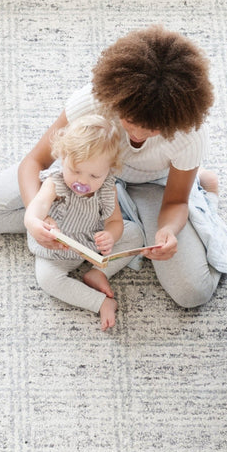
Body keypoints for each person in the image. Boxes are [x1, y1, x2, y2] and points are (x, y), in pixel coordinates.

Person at [0, 24, 227, 311]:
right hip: (81, 175)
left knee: (192, 293)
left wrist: (169, 231)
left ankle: (203, 190)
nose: (138, 135)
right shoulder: (94, 101)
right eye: (130, 121)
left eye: (154, 130)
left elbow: (175, 201)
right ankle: (109, 220)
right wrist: (38, 214)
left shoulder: (189, 134)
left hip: (151, 186)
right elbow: (35, 162)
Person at [23, 114, 143, 331]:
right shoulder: (56, 181)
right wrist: (32, 222)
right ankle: (101, 302)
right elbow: (38, 205)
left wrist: (111, 235)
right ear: (63, 157)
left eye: (94, 175)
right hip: (57, 248)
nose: (82, 182)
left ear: (109, 170)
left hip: (90, 243)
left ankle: (98, 272)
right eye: (75, 170)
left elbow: (115, 220)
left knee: (135, 233)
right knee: (47, 279)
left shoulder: (107, 188)